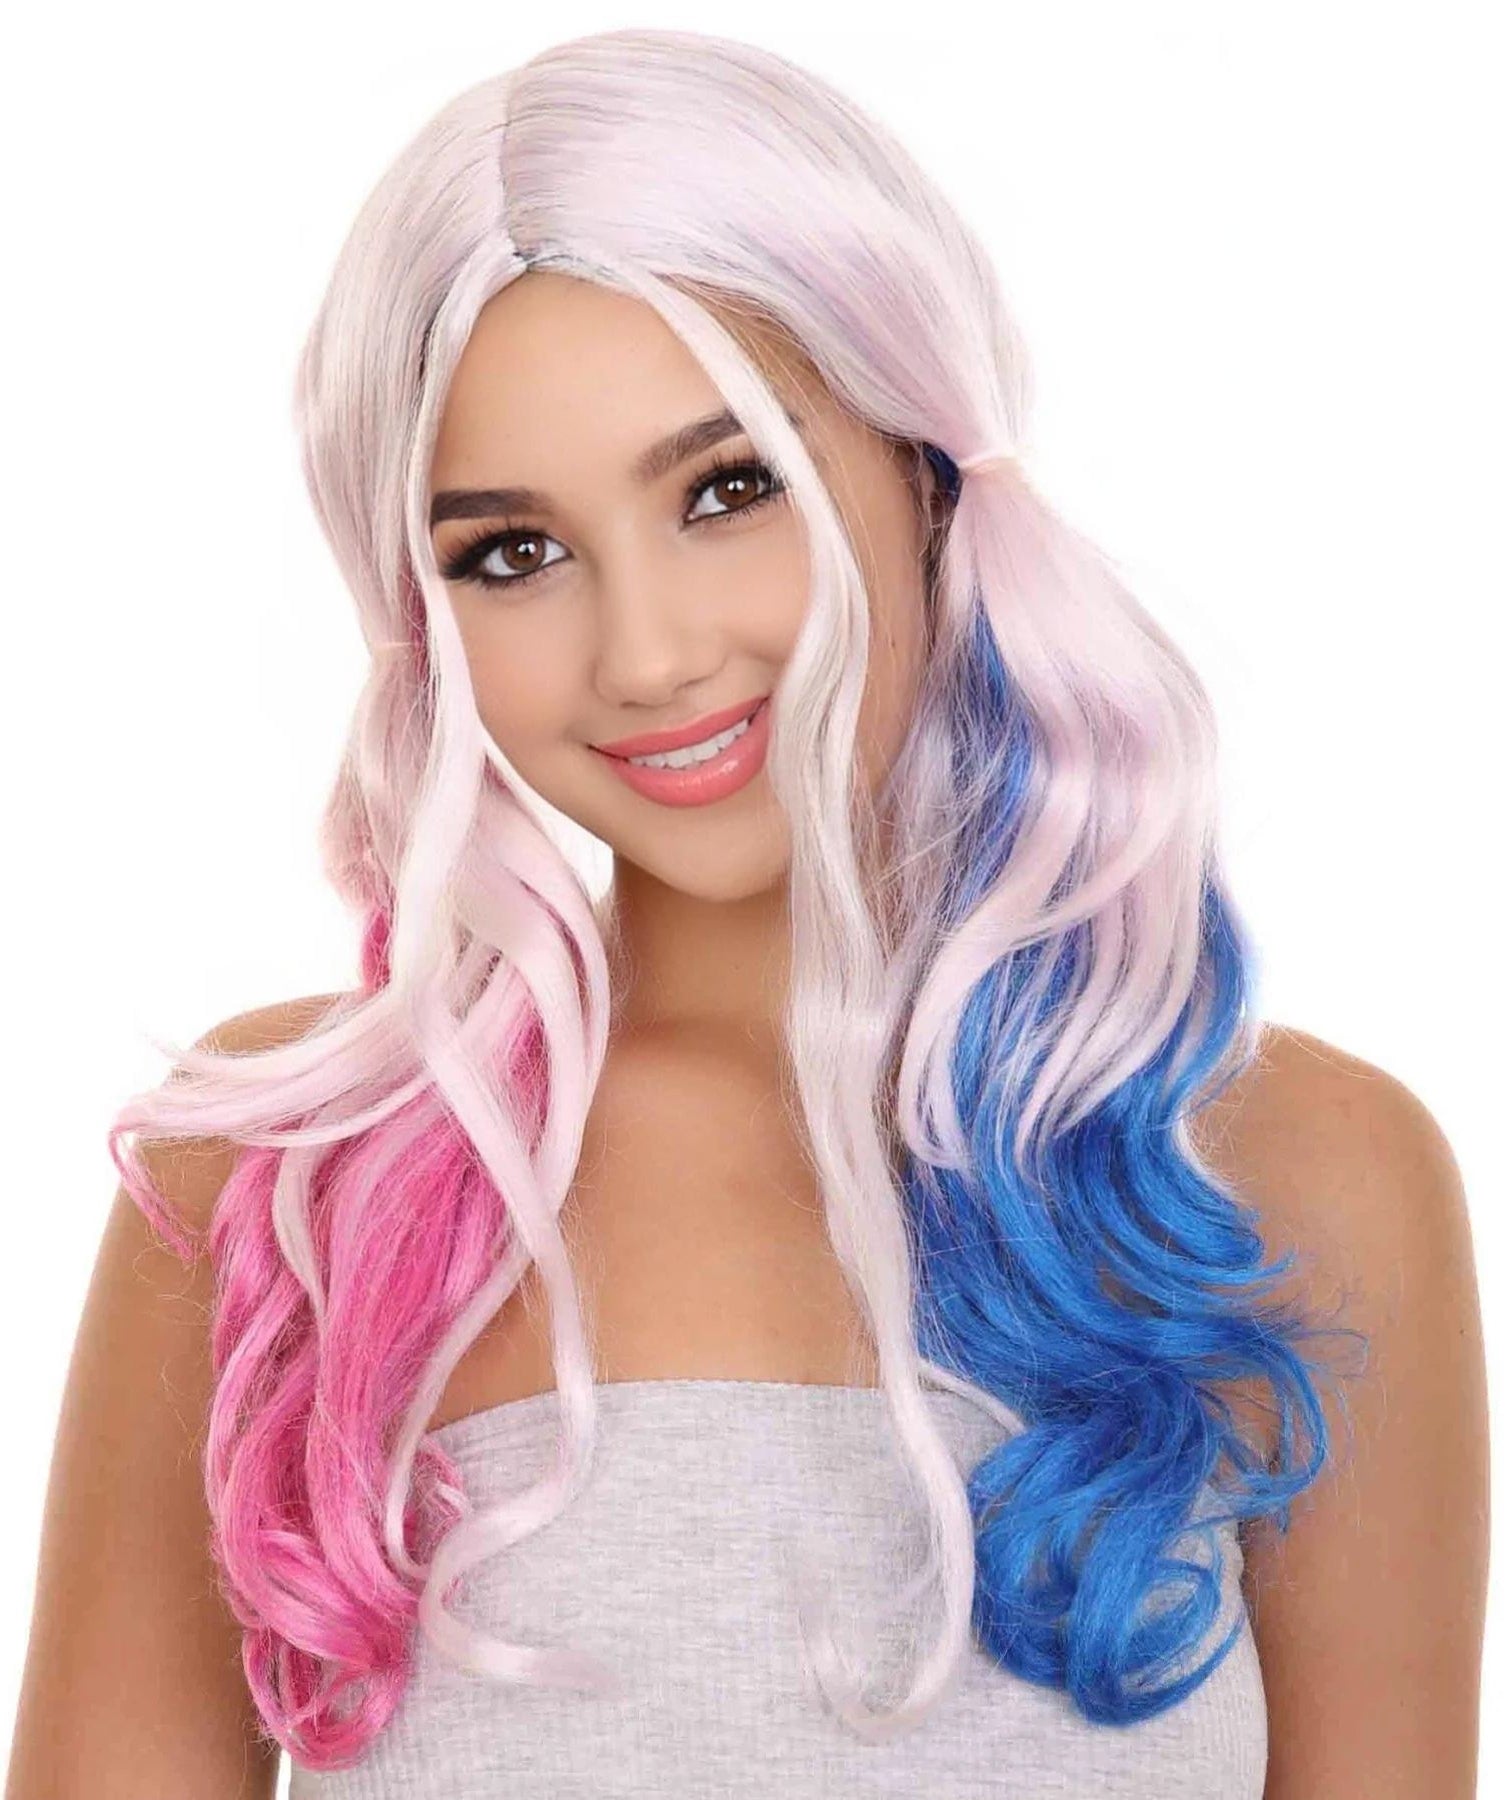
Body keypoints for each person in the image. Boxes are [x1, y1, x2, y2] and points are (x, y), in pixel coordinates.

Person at [7, 26, 1487, 1800]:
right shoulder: (289, 1182)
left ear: (927, 469)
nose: (648, 654)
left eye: (729, 490)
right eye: (512, 553)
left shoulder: (1293, 1174)